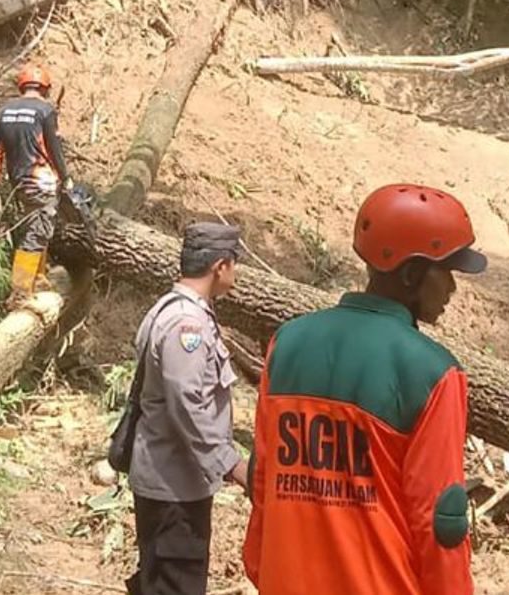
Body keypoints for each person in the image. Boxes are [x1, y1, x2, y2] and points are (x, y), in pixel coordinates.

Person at [243, 183, 485, 595]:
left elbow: (263, 480)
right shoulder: (434, 373)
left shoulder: (287, 344)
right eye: (446, 271)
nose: (452, 289)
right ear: (411, 273)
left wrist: (263, 570)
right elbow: (439, 520)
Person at [126, 222, 249, 595]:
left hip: (176, 481)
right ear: (221, 267)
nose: (236, 274)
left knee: (161, 580)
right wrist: (231, 464)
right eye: (235, 265)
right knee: (175, 584)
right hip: (173, 487)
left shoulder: (177, 311)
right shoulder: (186, 325)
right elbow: (187, 402)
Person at [0, 64, 73, 308]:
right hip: (41, 179)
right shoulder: (45, 110)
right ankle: (21, 292)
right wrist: (66, 177)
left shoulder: (4, 111)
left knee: (35, 226)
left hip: (19, 183)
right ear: (44, 88)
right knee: (39, 231)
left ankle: (38, 279)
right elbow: (54, 148)